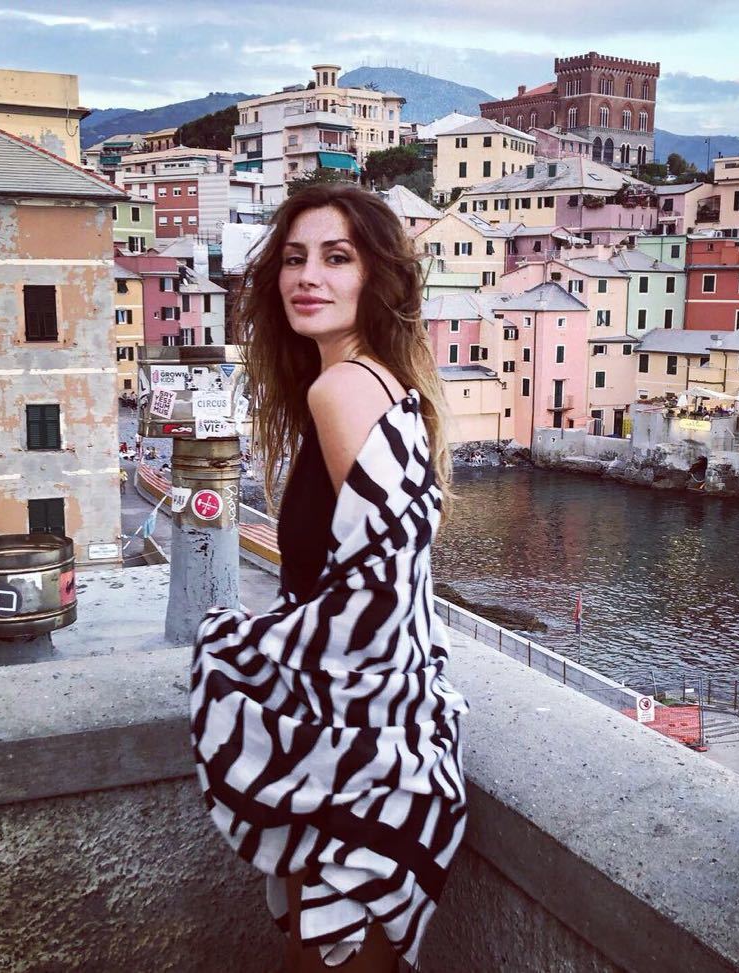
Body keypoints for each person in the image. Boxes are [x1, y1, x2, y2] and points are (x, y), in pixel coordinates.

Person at [190, 185, 468, 973]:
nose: (307, 276)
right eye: (293, 258)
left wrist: (238, 647)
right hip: (378, 749)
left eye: (336, 258)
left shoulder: (340, 390)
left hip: (363, 767)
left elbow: (374, 597)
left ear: (374, 277)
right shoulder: (385, 383)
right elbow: (392, 578)